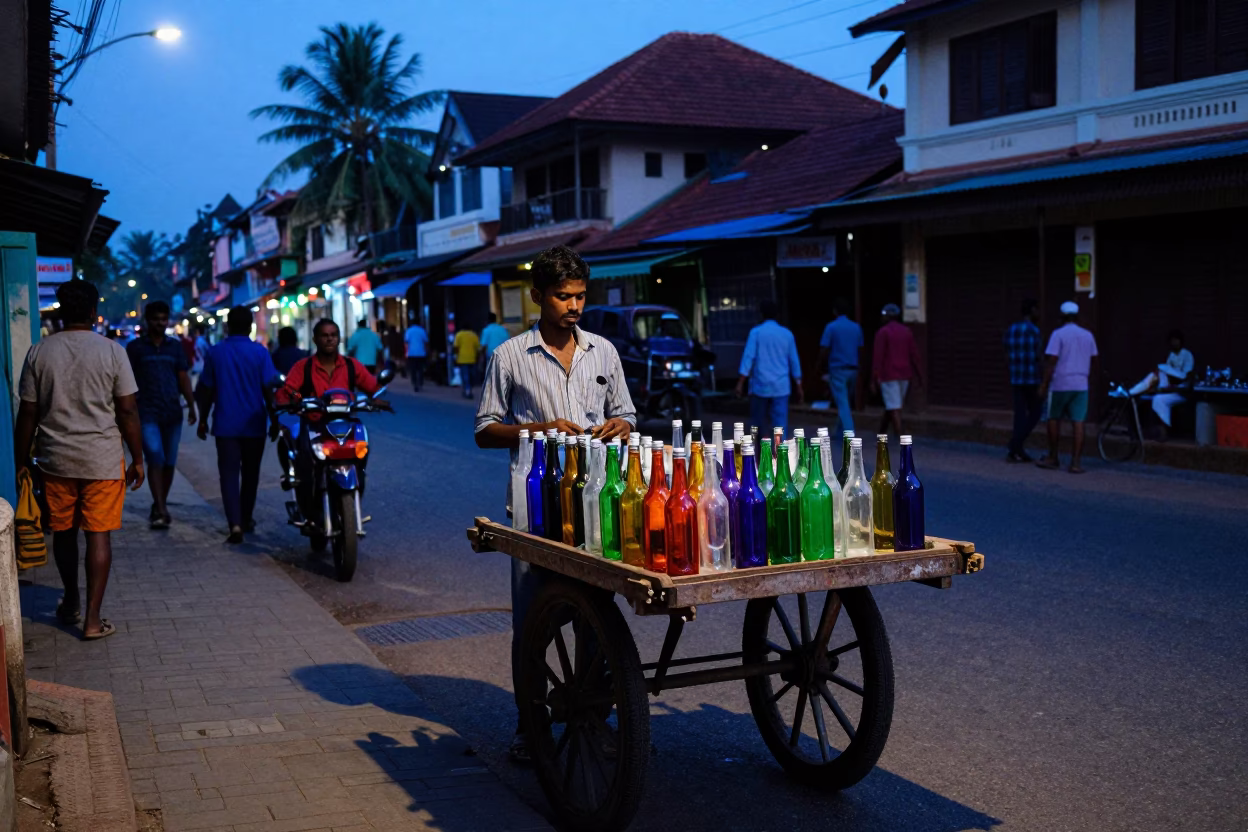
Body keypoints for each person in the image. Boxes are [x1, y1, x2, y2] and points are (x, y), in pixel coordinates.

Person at [474, 245, 635, 764]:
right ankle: (530, 723)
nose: (573, 306)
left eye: (580, 296)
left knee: (596, 615)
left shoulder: (603, 352)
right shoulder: (509, 356)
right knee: (533, 621)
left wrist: (621, 426)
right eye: (563, 296)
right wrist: (538, 430)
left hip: (596, 501)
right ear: (537, 296)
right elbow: (485, 430)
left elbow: (626, 413)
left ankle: (591, 714)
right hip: (535, 507)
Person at [13, 280, 144, 641]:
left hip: (55, 460)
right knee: (98, 535)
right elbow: (128, 411)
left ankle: (70, 600)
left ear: (60, 311)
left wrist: (19, 459)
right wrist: (138, 458)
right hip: (101, 460)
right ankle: (92, 619)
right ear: (92, 311)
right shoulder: (113, 351)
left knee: (65, 534)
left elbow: (27, 412)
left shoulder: (39, 352)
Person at [195, 306, 279, 544]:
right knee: (251, 474)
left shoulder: (216, 353)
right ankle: (246, 517)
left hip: (225, 425)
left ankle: (234, 524)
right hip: (255, 424)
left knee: (229, 475)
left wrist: (202, 419)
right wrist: (274, 420)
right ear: (251, 326)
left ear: (227, 326)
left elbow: (207, 389)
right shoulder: (260, 353)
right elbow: (269, 390)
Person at [126, 301, 197, 529]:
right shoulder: (136, 348)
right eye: (155, 319)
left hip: (172, 412)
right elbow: (126, 382)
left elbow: (183, 376)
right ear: (147, 321)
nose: (160, 323)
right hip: (146, 413)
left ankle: (159, 505)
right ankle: (160, 507)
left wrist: (192, 405)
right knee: (155, 457)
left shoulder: (174, 347)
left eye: (163, 319)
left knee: (169, 462)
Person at [1037, 300, 1098, 473]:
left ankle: (1053, 457)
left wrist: (1043, 384)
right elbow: (1094, 360)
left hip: (1060, 384)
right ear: (1077, 317)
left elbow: (1052, 361)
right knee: (1078, 423)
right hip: (1081, 384)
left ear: (1062, 317)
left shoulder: (1058, 334)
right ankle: (1076, 462)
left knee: (1053, 419)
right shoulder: (1088, 335)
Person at [735, 300, 803, 432]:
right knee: (780, 426)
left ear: (761, 315)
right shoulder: (787, 334)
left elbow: (748, 359)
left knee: (759, 426)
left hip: (760, 386)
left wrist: (740, 383)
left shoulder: (756, 333)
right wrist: (799, 385)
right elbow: (794, 361)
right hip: (781, 387)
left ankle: (762, 452)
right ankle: (780, 451)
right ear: (777, 315)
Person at [1122, 329, 1194, 437]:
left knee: (1159, 399)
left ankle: (1164, 430)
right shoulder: (1171, 355)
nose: (1174, 343)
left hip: (1181, 391)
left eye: (1176, 340)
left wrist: (1169, 385)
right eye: (1172, 341)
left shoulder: (1187, 355)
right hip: (1169, 387)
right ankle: (1134, 392)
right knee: (1155, 376)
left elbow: (1187, 377)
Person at [871, 303, 923, 437]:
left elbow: (878, 356)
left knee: (894, 406)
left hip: (888, 374)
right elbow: (914, 354)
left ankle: (900, 435)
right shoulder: (907, 331)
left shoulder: (883, 332)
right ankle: (883, 432)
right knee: (894, 404)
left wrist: (874, 378)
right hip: (905, 374)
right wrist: (920, 374)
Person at [1004, 299, 1044, 463]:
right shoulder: (1034, 331)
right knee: (1036, 412)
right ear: (1032, 310)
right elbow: (1039, 356)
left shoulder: (1011, 330)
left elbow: (1006, 352)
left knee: (1020, 414)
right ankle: (1016, 444)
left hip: (1016, 377)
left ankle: (1016, 448)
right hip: (1031, 378)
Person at [817, 297, 864, 436]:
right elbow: (860, 349)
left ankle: (849, 434)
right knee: (844, 402)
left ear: (835, 311)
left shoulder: (831, 327)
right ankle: (838, 432)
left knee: (842, 403)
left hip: (838, 369)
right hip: (853, 370)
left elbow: (824, 349)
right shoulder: (856, 327)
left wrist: (819, 366)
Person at [453, 324, 482, 398]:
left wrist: (456, 356)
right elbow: (478, 348)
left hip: (462, 359)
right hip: (472, 358)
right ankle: (469, 389)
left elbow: (456, 347)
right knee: (472, 375)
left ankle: (467, 390)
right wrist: (478, 357)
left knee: (465, 376)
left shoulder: (459, 335)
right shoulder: (474, 335)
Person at [404, 317, 429, 392]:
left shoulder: (409, 331)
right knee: (420, 369)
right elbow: (426, 342)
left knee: (413, 369)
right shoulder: (422, 331)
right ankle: (420, 382)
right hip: (421, 353)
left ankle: (414, 383)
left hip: (411, 353)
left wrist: (406, 352)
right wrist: (426, 351)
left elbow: (406, 342)